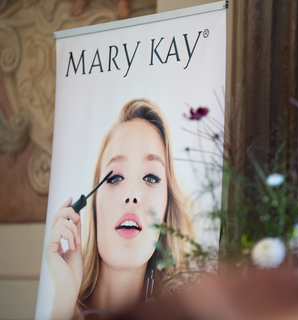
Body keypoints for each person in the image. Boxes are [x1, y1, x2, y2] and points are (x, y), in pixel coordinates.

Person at [45, 98, 193, 319]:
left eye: (151, 177)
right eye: (115, 178)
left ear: (167, 208)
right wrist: (64, 301)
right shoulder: (62, 308)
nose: (132, 195)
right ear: (92, 204)